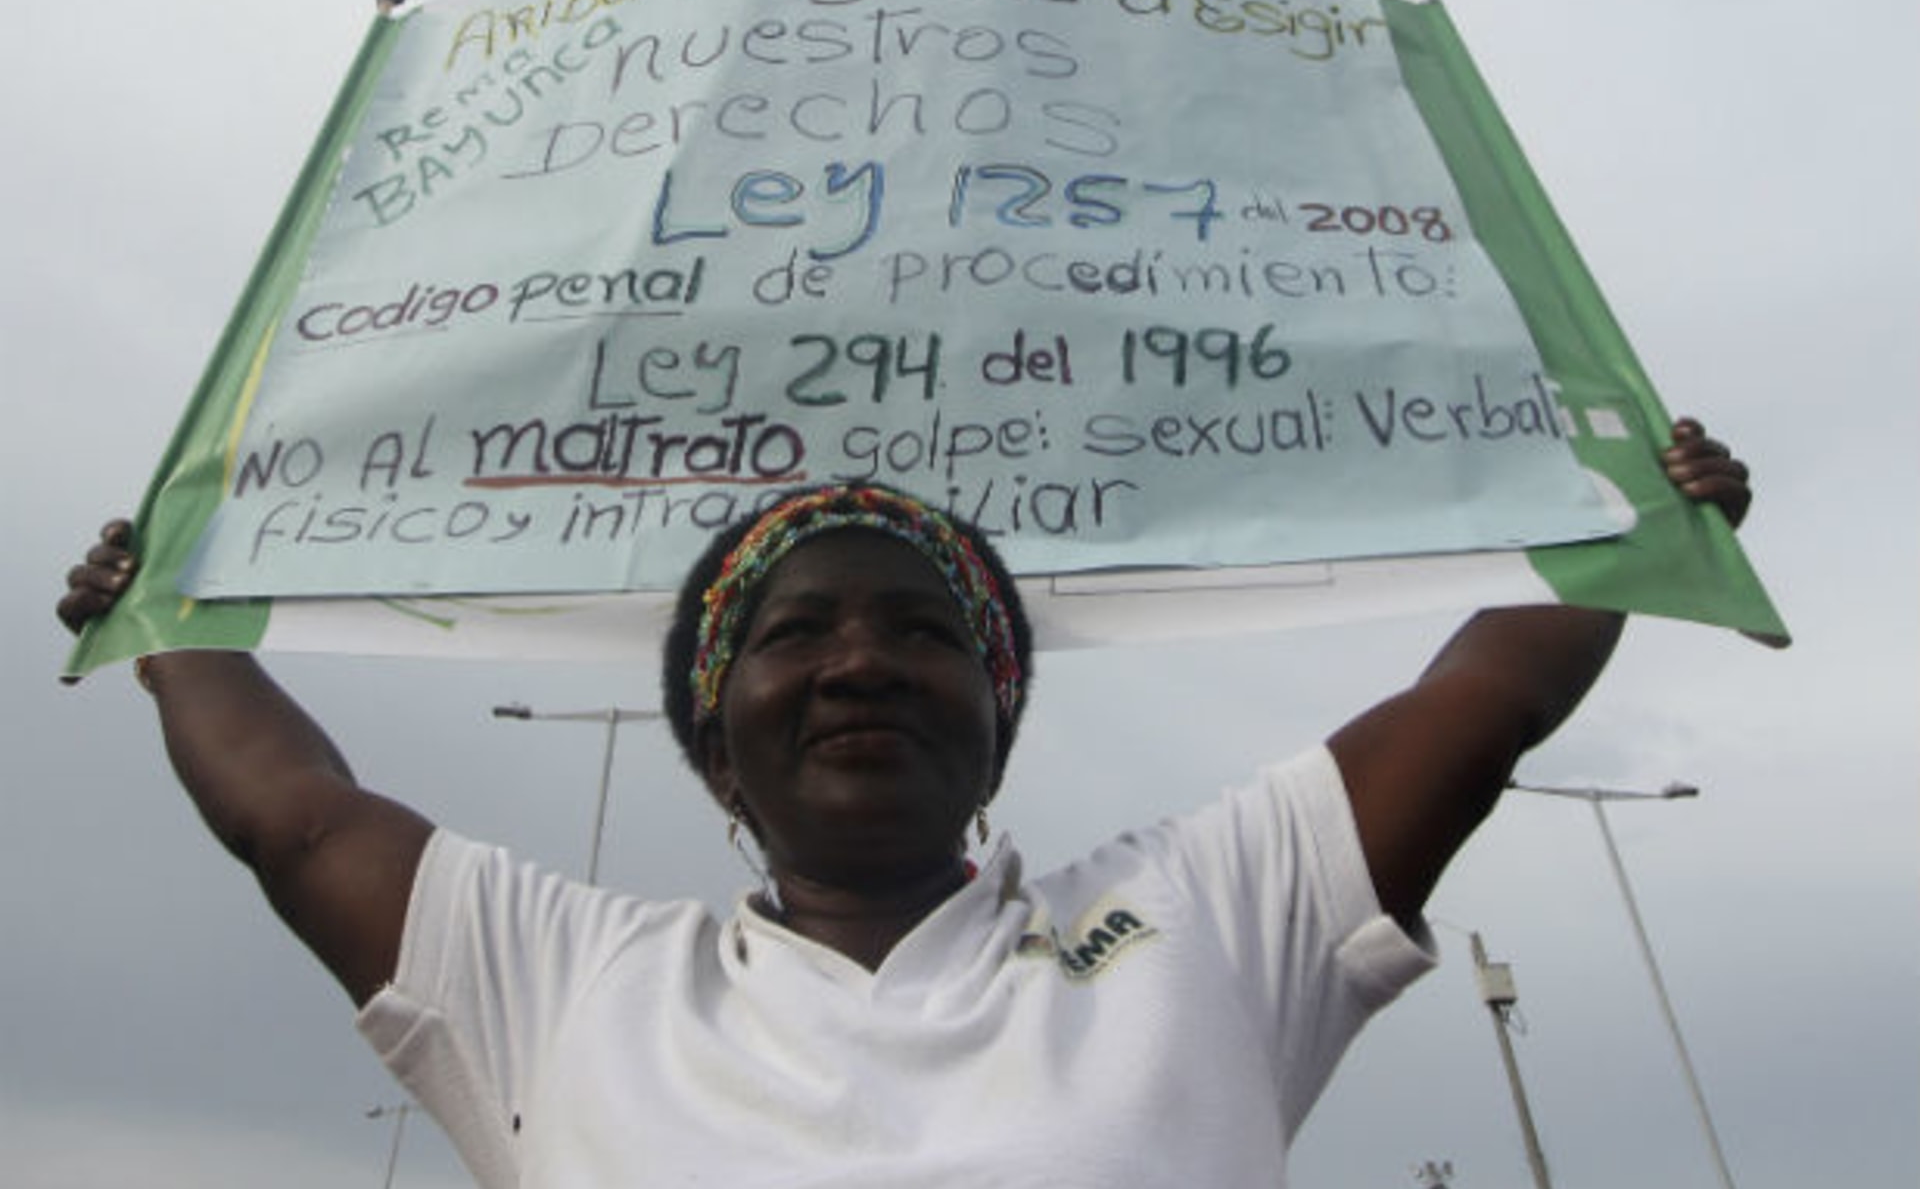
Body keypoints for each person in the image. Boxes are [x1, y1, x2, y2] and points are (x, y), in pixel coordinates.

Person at [57, 420, 1751, 1188]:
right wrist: (164, 636)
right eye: (793, 638)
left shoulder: (1197, 921)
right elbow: (299, 821)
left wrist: (1635, 528)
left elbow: (1483, 701)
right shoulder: (565, 983)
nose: (859, 661)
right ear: (718, 755)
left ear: (998, 730)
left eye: (923, 632)